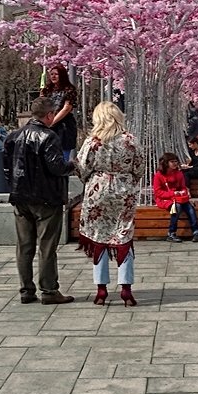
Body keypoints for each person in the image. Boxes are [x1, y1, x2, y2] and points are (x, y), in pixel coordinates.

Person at [6, 98, 74, 304]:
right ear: (49, 115)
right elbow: (56, 167)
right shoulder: (48, 137)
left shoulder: (13, 136)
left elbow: (7, 168)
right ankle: (49, 290)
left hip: (20, 197)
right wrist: (71, 165)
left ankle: (26, 290)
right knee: (46, 246)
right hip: (46, 198)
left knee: (24, 246)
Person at [76, 101, 143, 306]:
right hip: (123, 190)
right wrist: (126, 180)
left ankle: (101, 289)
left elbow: (81, 167)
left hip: (98, 190)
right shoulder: (130, 140)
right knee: (123, 234)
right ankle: (126, 288)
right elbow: (139, 167)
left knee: (98, 236)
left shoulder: (92, 141)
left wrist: (94, 179)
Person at [155, 152, 198, 242]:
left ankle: (196, 232)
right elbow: (157, 192)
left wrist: (184, 192)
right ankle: (171, 233)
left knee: (190, 209)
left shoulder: (178, 174)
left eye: (176, 161)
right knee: (177, 207)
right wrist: (173, 193)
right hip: (165, 199)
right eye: (172, 161)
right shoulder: (159, 175)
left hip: (179, 198)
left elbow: (183, 187)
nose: (175, 163)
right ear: (166, 163)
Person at [39, 65, 80, 163]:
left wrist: (52, 122)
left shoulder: (69, 90)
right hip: (48, 126)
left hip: (64, 127)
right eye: (51, 74)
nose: (53, 76)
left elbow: (66, 108)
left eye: (56, 74)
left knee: (62, 158)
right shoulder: (47, 90)